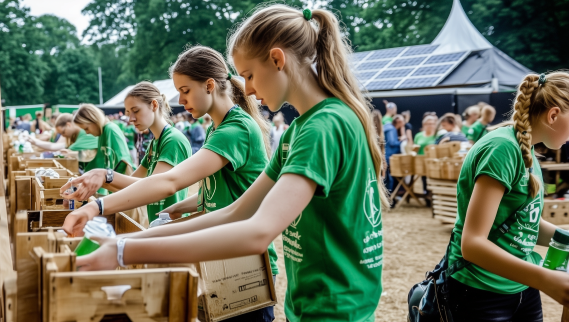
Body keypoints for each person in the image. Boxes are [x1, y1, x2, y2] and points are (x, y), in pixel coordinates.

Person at [64, 7, 387, 322]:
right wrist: (125, 242)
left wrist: (123, 251)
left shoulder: (321, 127)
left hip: (333, 310)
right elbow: (235, 211)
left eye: (248, 75)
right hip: (314, 304)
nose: (246, 88)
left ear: (277, 59)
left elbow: (258, 231)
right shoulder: (304, 127)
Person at [62, 45, 278, 321]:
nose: (179, 99)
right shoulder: (218, 128)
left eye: (185, 90)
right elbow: (222, 194)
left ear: (210, 85)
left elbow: (169, 182)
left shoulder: (233, 130)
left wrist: (96, 207)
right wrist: (178, 208)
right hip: (223, 258)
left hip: (244, 265)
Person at [444, 72, 569, 321]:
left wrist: (564, 238)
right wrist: (546, 279)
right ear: (553, 115)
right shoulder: (502, 148)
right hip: (480, 292)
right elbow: (472, 244)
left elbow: (525, 223)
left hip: (522, 286)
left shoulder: (526, 148)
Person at [61, 82, 192, 224]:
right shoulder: (155, 142)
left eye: (136, 111)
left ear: (154, 105)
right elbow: (132, 185)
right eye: (129, 113)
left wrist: (106, 177)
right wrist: (91, 185)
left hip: (173, 228)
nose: (131, 119)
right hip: (159, 224)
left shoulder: (173, 140)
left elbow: (154, 187)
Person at [72, 104, 133, 195]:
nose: (87, 132)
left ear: (94, 120)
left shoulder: (111, 129)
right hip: (113, 188)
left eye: (86, 128)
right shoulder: (101, 133)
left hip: (122, 190)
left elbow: (124, 162)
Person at [28, 113, 98, 167]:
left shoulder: (84, 133)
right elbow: (57, 147)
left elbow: (59, 147)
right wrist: (35, 142)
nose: (63, 135)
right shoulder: (76, 135)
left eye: (63, 132)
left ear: (69, 125)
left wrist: (36, 142)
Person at [384, 115, 404, 191]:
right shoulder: (392, 129)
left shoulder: (387, 128)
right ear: (399, 122)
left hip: (386, 156)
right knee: (389, 179)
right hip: (389, 157)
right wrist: (401, 141)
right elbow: (392, 142)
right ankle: (390, 197)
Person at [371, 109, 386, 178]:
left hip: (371, 160)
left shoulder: (369, 133)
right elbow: (382, 151)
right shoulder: (381, 136)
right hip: (378, 161)